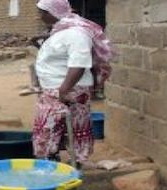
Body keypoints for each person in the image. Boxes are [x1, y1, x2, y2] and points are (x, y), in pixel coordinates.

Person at [32, 0, 114, 164]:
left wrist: (63, 90)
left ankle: (76, 165)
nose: (40, 16)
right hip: (56, 88)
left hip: (70, 90)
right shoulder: (61, 30)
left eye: (42, 12)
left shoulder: (77, 33)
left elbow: (79, 64)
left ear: (52, 12)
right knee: (52, 128)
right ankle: (52, 161)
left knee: (74, 128)